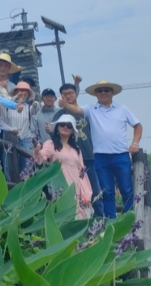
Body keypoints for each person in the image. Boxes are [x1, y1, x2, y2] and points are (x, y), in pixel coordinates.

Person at [61, 80, 143, 218]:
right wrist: (66, 105)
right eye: (100, 91)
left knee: (127, 190)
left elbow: (138, 126)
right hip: (100, 157)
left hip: (121, 155)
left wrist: (135, 143)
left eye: (107, 90)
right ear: (96, 94)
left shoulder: (122, 109)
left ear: (112, 93)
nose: (103, 93)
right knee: (107, 192)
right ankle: (111, 223)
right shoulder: (90, 110)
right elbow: (77, 110)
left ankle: (132, 222)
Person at [54, 83, 102, 217]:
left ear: (76, 94)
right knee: (74, 193)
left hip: (89, 156)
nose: (68, 96)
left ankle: (99, 223)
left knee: (96, 192)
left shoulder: (85, 112)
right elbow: (53, 134)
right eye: (65, 94)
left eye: (71, 93)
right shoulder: (59, 115)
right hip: (71, 159)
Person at [32, 114, 93, 219]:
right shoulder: (51, 144)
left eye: (69, 125)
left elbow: (82, 172)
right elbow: (40, 158)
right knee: (63, 215)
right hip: (60, 186)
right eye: (62, 125)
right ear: (57, 127)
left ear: (73, 130)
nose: (65, 127)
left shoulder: (76, 149)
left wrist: (87, 194)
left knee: (78, 217)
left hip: (77, 187)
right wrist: (36, 151)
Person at [0, 81, 38, 173]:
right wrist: (10, 129)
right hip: (9, 137)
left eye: (25, 91)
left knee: (26, 168)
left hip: (25, 138)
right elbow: (1, 121)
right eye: (20, 90)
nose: (23, 92)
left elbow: (34, 123)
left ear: (29, 93)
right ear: (16, 91)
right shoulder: (6, 105)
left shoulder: (30, 108)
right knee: (8, 166)